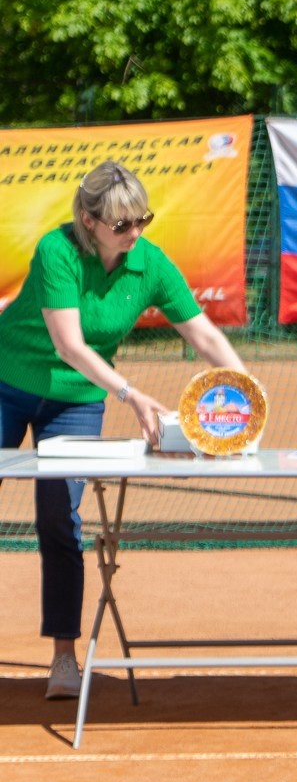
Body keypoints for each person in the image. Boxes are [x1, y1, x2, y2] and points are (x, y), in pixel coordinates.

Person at [0, 162, 249, 700]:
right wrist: (132, 395)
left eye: (142, 220)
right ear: (88, 221)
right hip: (7, 380)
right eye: (121, 225)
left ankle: (63, 660)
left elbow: (204, 335)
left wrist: (245, 391)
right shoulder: (56, 250)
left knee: (59, 521)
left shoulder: (151, 264)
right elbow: (69, 345)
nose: (135, 233)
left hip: (76, 402)